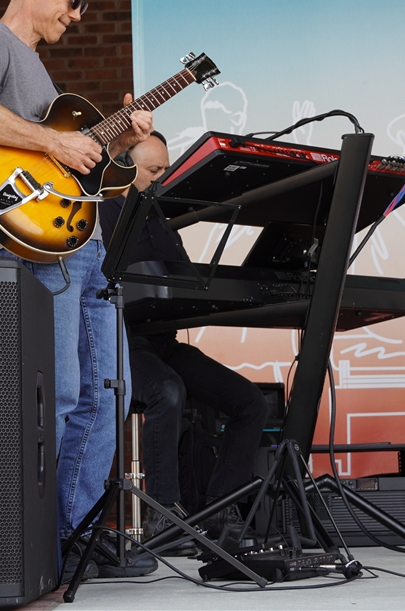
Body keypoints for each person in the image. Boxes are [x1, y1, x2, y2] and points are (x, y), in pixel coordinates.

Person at [0, 0, 156, 581]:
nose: (77, 14)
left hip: (85, 248)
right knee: (62, 395)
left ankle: (74, 540)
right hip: (45, 254)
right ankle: (37, 546)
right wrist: (53, 143)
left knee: (110, 394)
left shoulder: (40, 74)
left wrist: (115, 144)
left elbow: (70, 170)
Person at [100, 131, 269, 551]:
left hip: (163, 339)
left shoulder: (160, 217)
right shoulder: (103, 212)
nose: (162, 177)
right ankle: (164, 516)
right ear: (125, 167)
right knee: (167, 391)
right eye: (154, 169)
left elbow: (183, 280)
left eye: (166, 169)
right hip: (122, 339)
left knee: (250, 402)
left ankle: (220, 509)